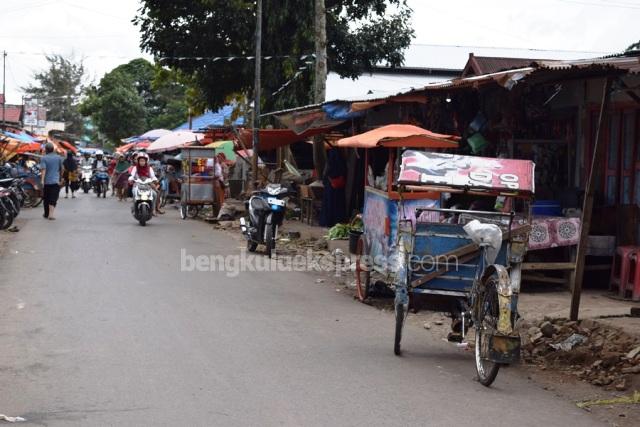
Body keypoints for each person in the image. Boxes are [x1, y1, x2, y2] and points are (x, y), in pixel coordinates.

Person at [39, 142, 64, 220]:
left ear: (46, 150)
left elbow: (43, 170)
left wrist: (42, 180)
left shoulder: (43, 158)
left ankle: (47, 214)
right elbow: (62, 169)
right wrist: (60, 177)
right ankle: (50, 214)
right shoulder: (59, 158)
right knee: (53, 198)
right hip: (55, 181)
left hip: (47, 182)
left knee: (46, 198)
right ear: (53, 149)